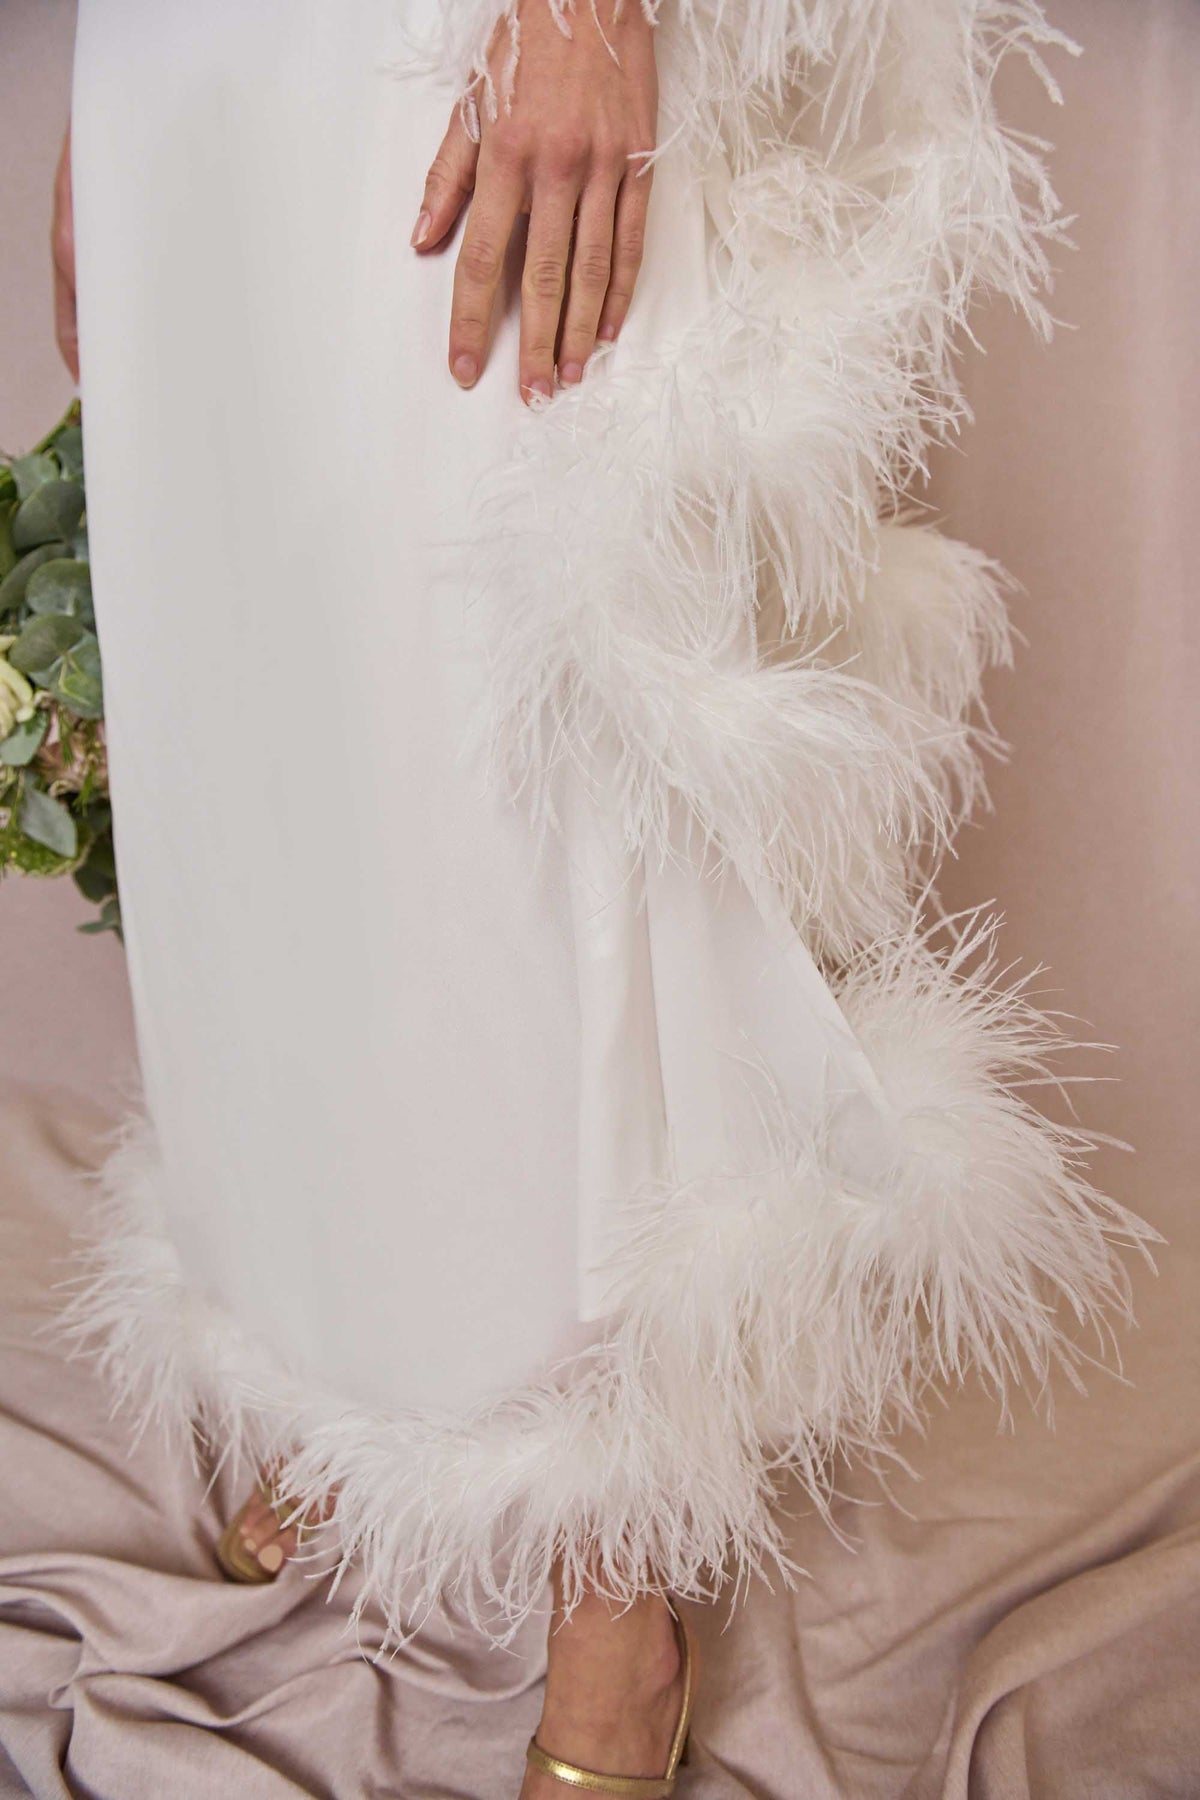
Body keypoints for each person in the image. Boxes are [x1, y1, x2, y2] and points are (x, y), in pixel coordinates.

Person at [54, 1, 1148, 1793]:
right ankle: (348, 1350)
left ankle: (614, 1556)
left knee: (554, 737)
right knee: (278, 717)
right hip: (195, 50)